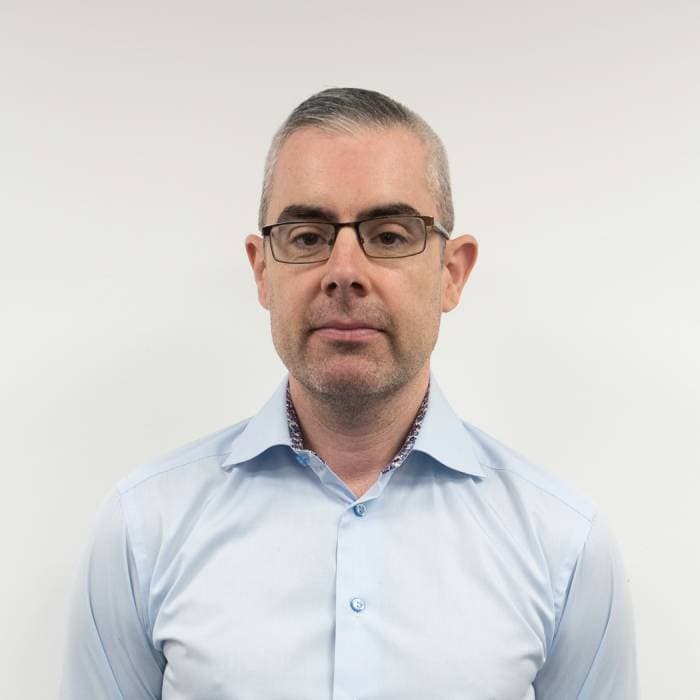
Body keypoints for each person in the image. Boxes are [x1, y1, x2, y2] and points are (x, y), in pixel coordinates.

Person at [60, 88, 638, 699]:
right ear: (262, 271)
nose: (344, 271)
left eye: (389, 236)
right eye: (307, 236)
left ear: (452, 272)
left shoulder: (564, 546)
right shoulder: (143, 529)